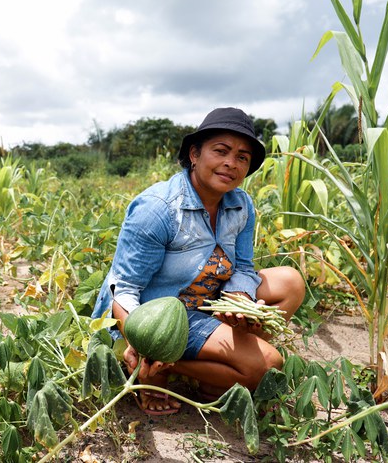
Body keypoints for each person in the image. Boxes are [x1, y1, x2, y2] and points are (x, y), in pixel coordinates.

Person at [91, 107, 305, 415]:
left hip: (208, 302)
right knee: (269, 363)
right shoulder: (159, 209)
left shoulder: (241, 205)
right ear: (194, 154)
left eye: (242, 157)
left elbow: (243, 267)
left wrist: (239, 299)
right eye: (221, 151)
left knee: (290, 282)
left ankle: (205, 368)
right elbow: (121, 288)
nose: (231, 163)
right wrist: (143, 341)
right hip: (163, 312)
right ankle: (160, 365)